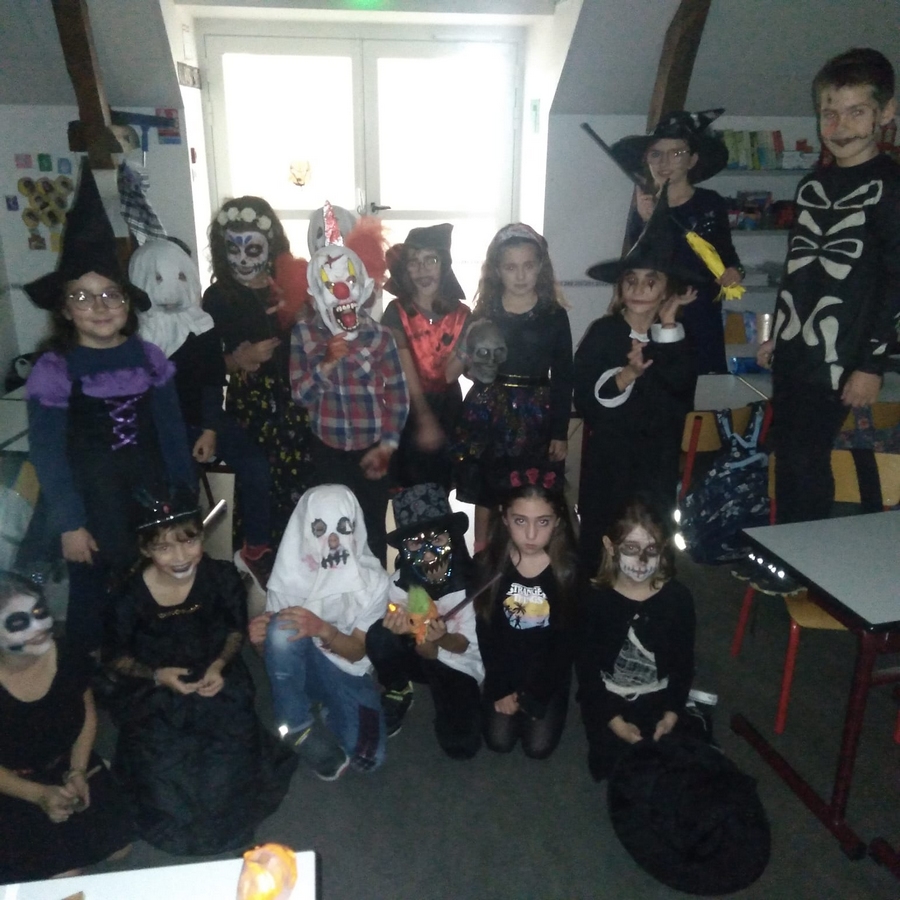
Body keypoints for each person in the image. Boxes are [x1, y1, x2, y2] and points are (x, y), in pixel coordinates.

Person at [23, 162, 194, 654]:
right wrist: (69, 522)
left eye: (110, 295)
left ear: (127, 302)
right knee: (92, 597)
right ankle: (87, 678)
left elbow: (172, 433)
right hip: (88, 504)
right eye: (83, 296)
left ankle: (148, 666)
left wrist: (183, 499)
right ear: (64, 307)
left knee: (150, 590)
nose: (99, 307)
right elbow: (48, 452)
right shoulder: (55, 368)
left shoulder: (150, 358)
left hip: (149, 496)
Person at [756, 48, 900, 533]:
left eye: (856, 112)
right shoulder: (812, 184)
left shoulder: (892, 187)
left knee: (809, 462)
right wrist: (778, 334)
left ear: (886, 112)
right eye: (829, 113)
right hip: (797, 349)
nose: (840, 126)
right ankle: (786, 555)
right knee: (788, 458)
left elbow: (896, 281)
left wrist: (872, 364)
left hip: (845, 355)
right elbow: (799, 269)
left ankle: (806, 559)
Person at [105, 489, 294, 855]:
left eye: (188, 541)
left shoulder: (221, 577)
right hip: (155, 688)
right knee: (165, 780)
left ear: (201, 536)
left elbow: (234, 631)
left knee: (225, 772)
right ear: (145, 549)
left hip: (215, 675)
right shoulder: (127, 595)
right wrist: (156, 675)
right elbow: (115, 656)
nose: (180, 557)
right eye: (163, 548)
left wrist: (220, 664)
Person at [130, 238, 276, 587]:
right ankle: (173, 558)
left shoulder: (201, 325)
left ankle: (255, 548)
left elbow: (211, 381)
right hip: (156, 429)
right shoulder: (134, 334)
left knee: (256, 465)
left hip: (204, 417)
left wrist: (210, 428)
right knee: (177, 488)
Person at [575, 185, 700, 575]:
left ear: (667, 290)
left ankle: (649, 596)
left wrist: (668, 324)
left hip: (656, 463)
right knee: (603, 536)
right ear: (620, 287)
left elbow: (681, 393)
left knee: (651, 535)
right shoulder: (604, 333)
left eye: (651, 281)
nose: (640, 289)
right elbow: (587, 399)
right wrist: (626, 375)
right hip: (610, 462)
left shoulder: (675, 338)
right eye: (631, 280)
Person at [204, 196, 314, 571]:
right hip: (251, 405)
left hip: (296, 400)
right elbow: (202, 366)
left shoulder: (286, 285)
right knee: (260, 479)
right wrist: (238, 359)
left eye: (252, 249)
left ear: (270, 246)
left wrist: (301, 309)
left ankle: (303, 562)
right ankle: (258, 557)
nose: (242, 259)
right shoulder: (217, 298)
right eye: (232, 249)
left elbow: (318, 339)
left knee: (300, 477)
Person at [0, 572, 133, 882]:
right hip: (11, 781)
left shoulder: (68, 653)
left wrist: (77, 770)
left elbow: (86, 714)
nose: (38, 627)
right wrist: (38, 795)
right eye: (18, 622)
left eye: (39, 612)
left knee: (119, 849)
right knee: (64, 876)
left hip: (61, 762)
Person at [251, 485, 388, 781]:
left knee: (368, 757)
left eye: (343, 527)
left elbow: (358, 651)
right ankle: (295, 724)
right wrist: (261, 641)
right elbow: (275, 655)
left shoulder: (374, 581)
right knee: (279, 628)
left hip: (349, 670)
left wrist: (323, 629)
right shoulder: (289, 575)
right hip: (303, 665)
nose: (334, 540)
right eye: (320, 529)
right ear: (305, 530)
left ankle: (330, 705)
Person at [451, 224, 573, 551]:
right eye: (510, 267)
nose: (520, 275)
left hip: (537, 417)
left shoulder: (554, 315)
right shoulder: (484, 313)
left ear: (540, 267)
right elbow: (467, 366)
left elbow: (564, 375)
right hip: (489, 413)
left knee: (531, 488)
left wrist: (560, 431)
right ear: (497, 270)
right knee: (487, 491)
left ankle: (529, 553)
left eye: (528, 266)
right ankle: (482, 553)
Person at [291, 244, 409, 564]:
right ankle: (334, 588)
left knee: (372, 528)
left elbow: (398, 396)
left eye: (350, 282)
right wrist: (326, 364)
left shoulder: (381, 337)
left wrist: (387, 447)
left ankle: (373, 591)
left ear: (366, 288)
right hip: (327, 450)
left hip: (371, 449)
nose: (342, 291)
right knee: (330, 531)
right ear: (315, 295)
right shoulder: (304, 334)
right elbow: (300, 395)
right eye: (330, 285)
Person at [575, 496, 696, 782]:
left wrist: (671, 713)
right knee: (611, 767)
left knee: (671, 767)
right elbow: (587, 670)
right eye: (630, 548)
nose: (642, 561)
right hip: (610, 697)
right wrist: (614, 721)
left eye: (651, 550)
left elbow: (684, 663)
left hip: (658, 694)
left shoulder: (678, 599)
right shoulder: (595, 600)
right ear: (610, 547)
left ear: (663, 548)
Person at [612, 109, 743, 374]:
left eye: (676, 153)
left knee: (702, 383)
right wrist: (646, 221)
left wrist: (735, 271)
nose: (665, 162)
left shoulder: (710, 202)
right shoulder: (643, 205)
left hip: (700, 307)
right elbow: (636, 266)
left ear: (692, 159)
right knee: (657, 378)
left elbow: (727, 254)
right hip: (655, 308)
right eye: (656, 154)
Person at [365, 483, 483, 758]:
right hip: (420, 652)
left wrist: (441, 637)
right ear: (404, 549)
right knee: (379, 636)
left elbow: (462, 646)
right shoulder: (401, 582)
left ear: (451, 538)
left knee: (461, 745)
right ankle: (398, 688)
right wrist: (406, 627)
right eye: (416, 543)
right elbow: (418, 642)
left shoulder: (471, 584)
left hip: (459, 662)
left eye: (437, 540)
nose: (428, 553)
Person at [474, 471, 576, 760]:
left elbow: (567, 642)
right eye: (520, 521)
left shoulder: (569, 570)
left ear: (558, 521)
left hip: (546, 668)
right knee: (499, 741)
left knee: (537, 747)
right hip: (504, 666)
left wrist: (538, 692)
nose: (531, 535)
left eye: (542, 522)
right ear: (505, 518)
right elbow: (486, 631)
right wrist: (500, 686)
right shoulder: (488, 564)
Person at [382, 224, 470, 490]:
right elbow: (402, 367)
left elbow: (451, 374)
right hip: (407, 406)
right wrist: (423, 416)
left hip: (448, 408)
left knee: (440, 487)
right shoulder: (395, 312)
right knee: (408, 488)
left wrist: (475, 342)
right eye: (413, 262)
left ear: (444, 265)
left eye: (430, 260)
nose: (422, 270)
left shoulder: (463, 315)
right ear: (406, 270)